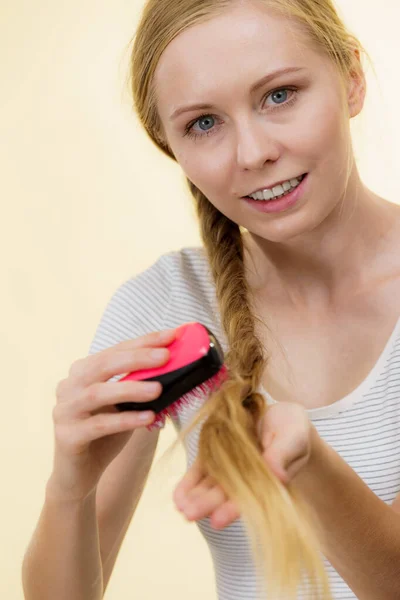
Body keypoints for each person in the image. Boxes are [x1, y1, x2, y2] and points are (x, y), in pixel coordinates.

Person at [21, 0, 400, 599]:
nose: (252, 154)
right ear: (172, 147)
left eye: (279, 95)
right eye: (203, 123)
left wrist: (309, 466)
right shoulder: (165, 308)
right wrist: (70, 489)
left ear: (352, 77)